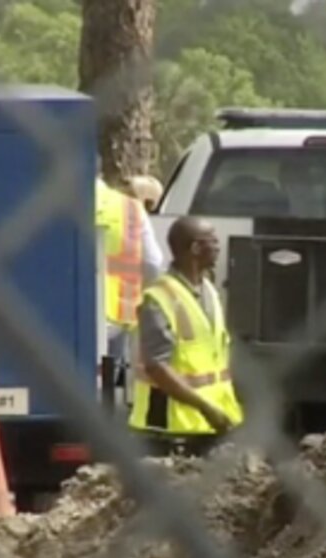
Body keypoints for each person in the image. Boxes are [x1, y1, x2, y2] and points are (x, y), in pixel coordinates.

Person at [129, 216, 242, 454]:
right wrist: (205, 408)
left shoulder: (209, 290)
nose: (219, 247)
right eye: (213, 241)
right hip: (170, 428)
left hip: (209, 424)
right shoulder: (158, 298)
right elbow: (157, 366)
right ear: (195, 248)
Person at [95, 170, 165, 400]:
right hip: (117, 312)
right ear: (102, 172)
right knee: (106, 384)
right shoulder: (130, 208)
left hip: (68, 311)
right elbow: (153, 263)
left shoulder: (61, 202)